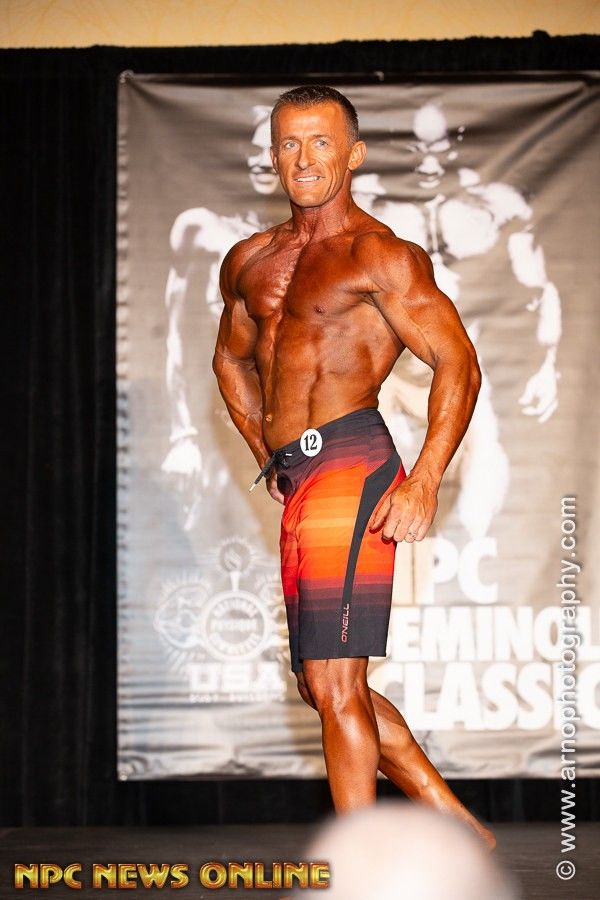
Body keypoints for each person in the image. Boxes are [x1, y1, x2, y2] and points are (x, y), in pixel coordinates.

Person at [212, 85, 494, 848]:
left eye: (321, 143)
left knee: (335, 681)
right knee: (322, 685)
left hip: (352, 458)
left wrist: (425, 479)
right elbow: (231, 360)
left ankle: (356, 865)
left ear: (354, 154)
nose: (304, 159)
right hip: (301, 473)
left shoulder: (380, 255)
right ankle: (457, 826)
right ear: (273, 156)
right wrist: (265, 452)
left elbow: (459, 363)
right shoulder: (250, 260)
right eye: (289, 143)